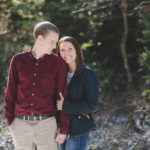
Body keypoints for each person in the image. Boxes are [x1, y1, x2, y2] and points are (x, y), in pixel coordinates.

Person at [4, 21, 69, 150]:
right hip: (20, 125)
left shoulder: (58, 64)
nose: (54, 46)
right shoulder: (18, 60)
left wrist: (63, 128)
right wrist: (11, 122)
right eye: (52, 42)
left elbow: (62, 96)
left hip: (47, 124)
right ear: (39, 39)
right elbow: (10, 93)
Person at [56, 36, 99, 150]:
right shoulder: (60, 74)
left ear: (77, 50)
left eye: (70, 49)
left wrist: (65, 105)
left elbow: (92, 105)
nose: (67, 53)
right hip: (61, 129)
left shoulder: (88, 74)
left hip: (79, 130)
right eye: (62, 50)